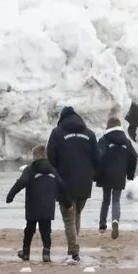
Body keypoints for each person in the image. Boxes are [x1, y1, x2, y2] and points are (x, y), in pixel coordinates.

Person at [46, 106, 99, 262]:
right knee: (76, 215)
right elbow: (97, 158)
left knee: (69, 218)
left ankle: (73, 251)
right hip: (84, 182)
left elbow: (51, 157)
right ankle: (74, 247)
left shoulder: (57, 133)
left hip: (64, 182)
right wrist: (90, 173)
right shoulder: (89, 134)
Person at [6, 145, 72, 263]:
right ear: (45, 155)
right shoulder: (52, 170)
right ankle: (46, 253)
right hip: (48, 205)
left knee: (29, 229)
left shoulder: (30, 169)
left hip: (33, 204)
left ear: (35, 156)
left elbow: (21, 182)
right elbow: (62, 186)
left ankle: (26, 253)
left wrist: (10, 196)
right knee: (46, 230)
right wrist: (68, 203)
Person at [96, 117, 138, 239]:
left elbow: (99, 156)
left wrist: (97, 174)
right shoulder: (126, 141)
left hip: (106, 174)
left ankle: (102, 225)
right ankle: (115, 221)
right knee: (116, 200)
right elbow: (134, 156)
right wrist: (130, 174)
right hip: (120, 174)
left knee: (106, 200)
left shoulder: (104, 140)